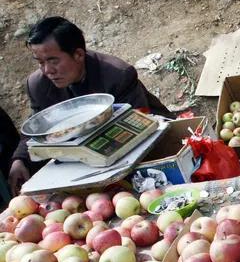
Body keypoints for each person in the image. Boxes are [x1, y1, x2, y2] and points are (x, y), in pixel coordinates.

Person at [8, 16, 172, 195]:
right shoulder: (37, 85)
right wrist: (20, 160)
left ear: (78, 54)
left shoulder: (117, 75)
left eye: (53, 61)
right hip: (84, 159)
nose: (47, 71)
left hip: (147, 146)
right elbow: (38, 128)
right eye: (40, 63)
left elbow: (141, 123)